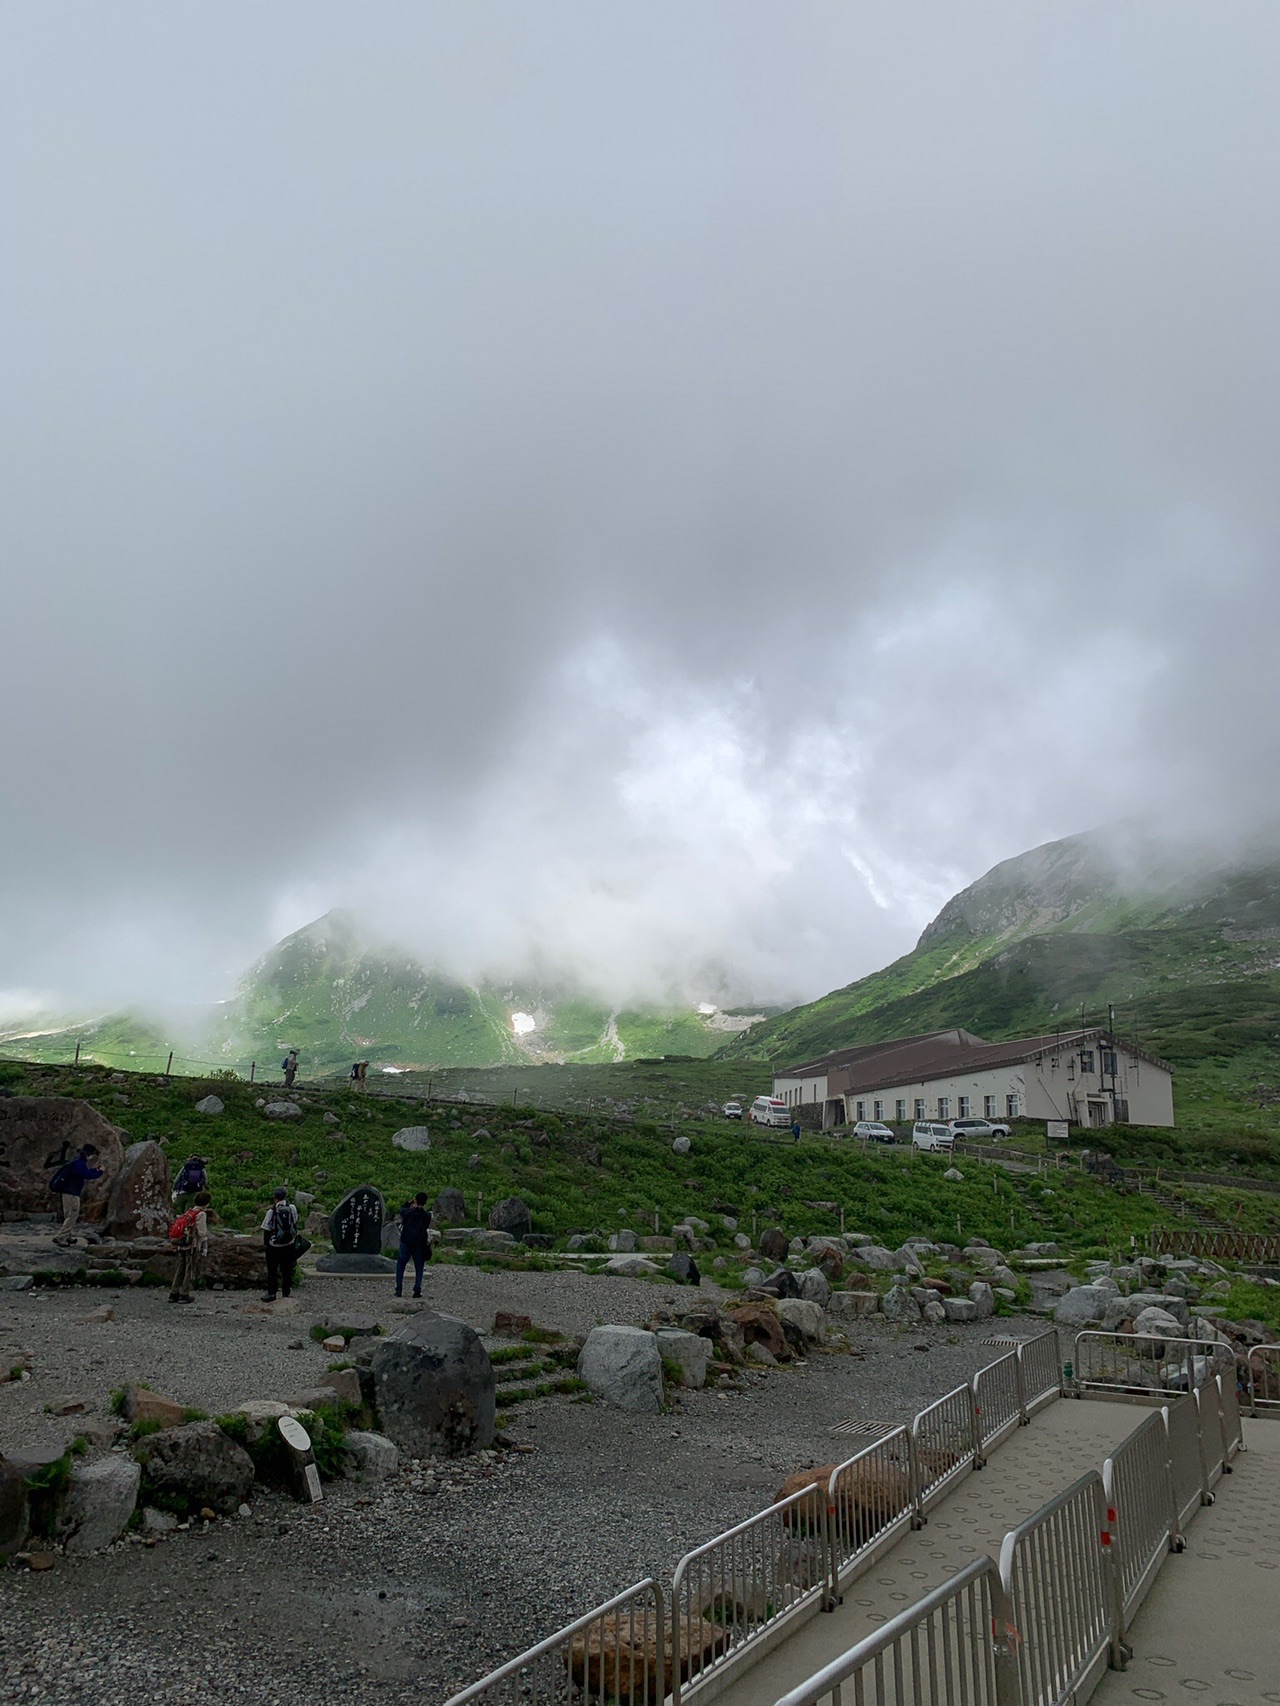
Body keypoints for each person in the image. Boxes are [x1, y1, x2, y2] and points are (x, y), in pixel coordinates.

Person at [51, 1145, 104, 1244]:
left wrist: (96, 1170)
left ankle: (68, 1235)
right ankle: (60, 1236)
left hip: (67, 1192)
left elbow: (85, 1172)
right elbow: (87, 1175)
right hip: (72, 1193)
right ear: (87, 1154)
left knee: (68, 1215)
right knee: (72, 1215)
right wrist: (99, 1172)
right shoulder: (79, 1164)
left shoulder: (76, 1162)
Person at [169, 1189, 211, 1305]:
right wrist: (205, 1247)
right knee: (189, 1269)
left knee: (180, 1268)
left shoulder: (188, 1212)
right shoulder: (201, 1214)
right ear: (207, 1203)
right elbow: (202, 1233)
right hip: (192, 1245)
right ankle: (184, 1294)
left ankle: (174, 1293)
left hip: (181, 1244)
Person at [261, 1187, 299, 1301]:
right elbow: (295, 1221)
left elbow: (266, 1228)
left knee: (272, 1269)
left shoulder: (272, 1211)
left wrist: (266, 1244)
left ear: (275, 1198)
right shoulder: (292, 1208)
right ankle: (286, 1292)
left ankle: (272, 1293)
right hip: (289, 1243)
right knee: (287, 1268)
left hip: (274, 1245)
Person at [394, 1192, 433, 1299]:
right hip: (420, 1243)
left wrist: (410, 1202)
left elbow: (401, 1209)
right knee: (419, 1267)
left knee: (401, 1265)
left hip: (406, 1241)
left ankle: (399, 1289)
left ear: (415, 1200)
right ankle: (417, 1290)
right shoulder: (427, 1215)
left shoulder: (408, 1212)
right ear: (425, 1202)